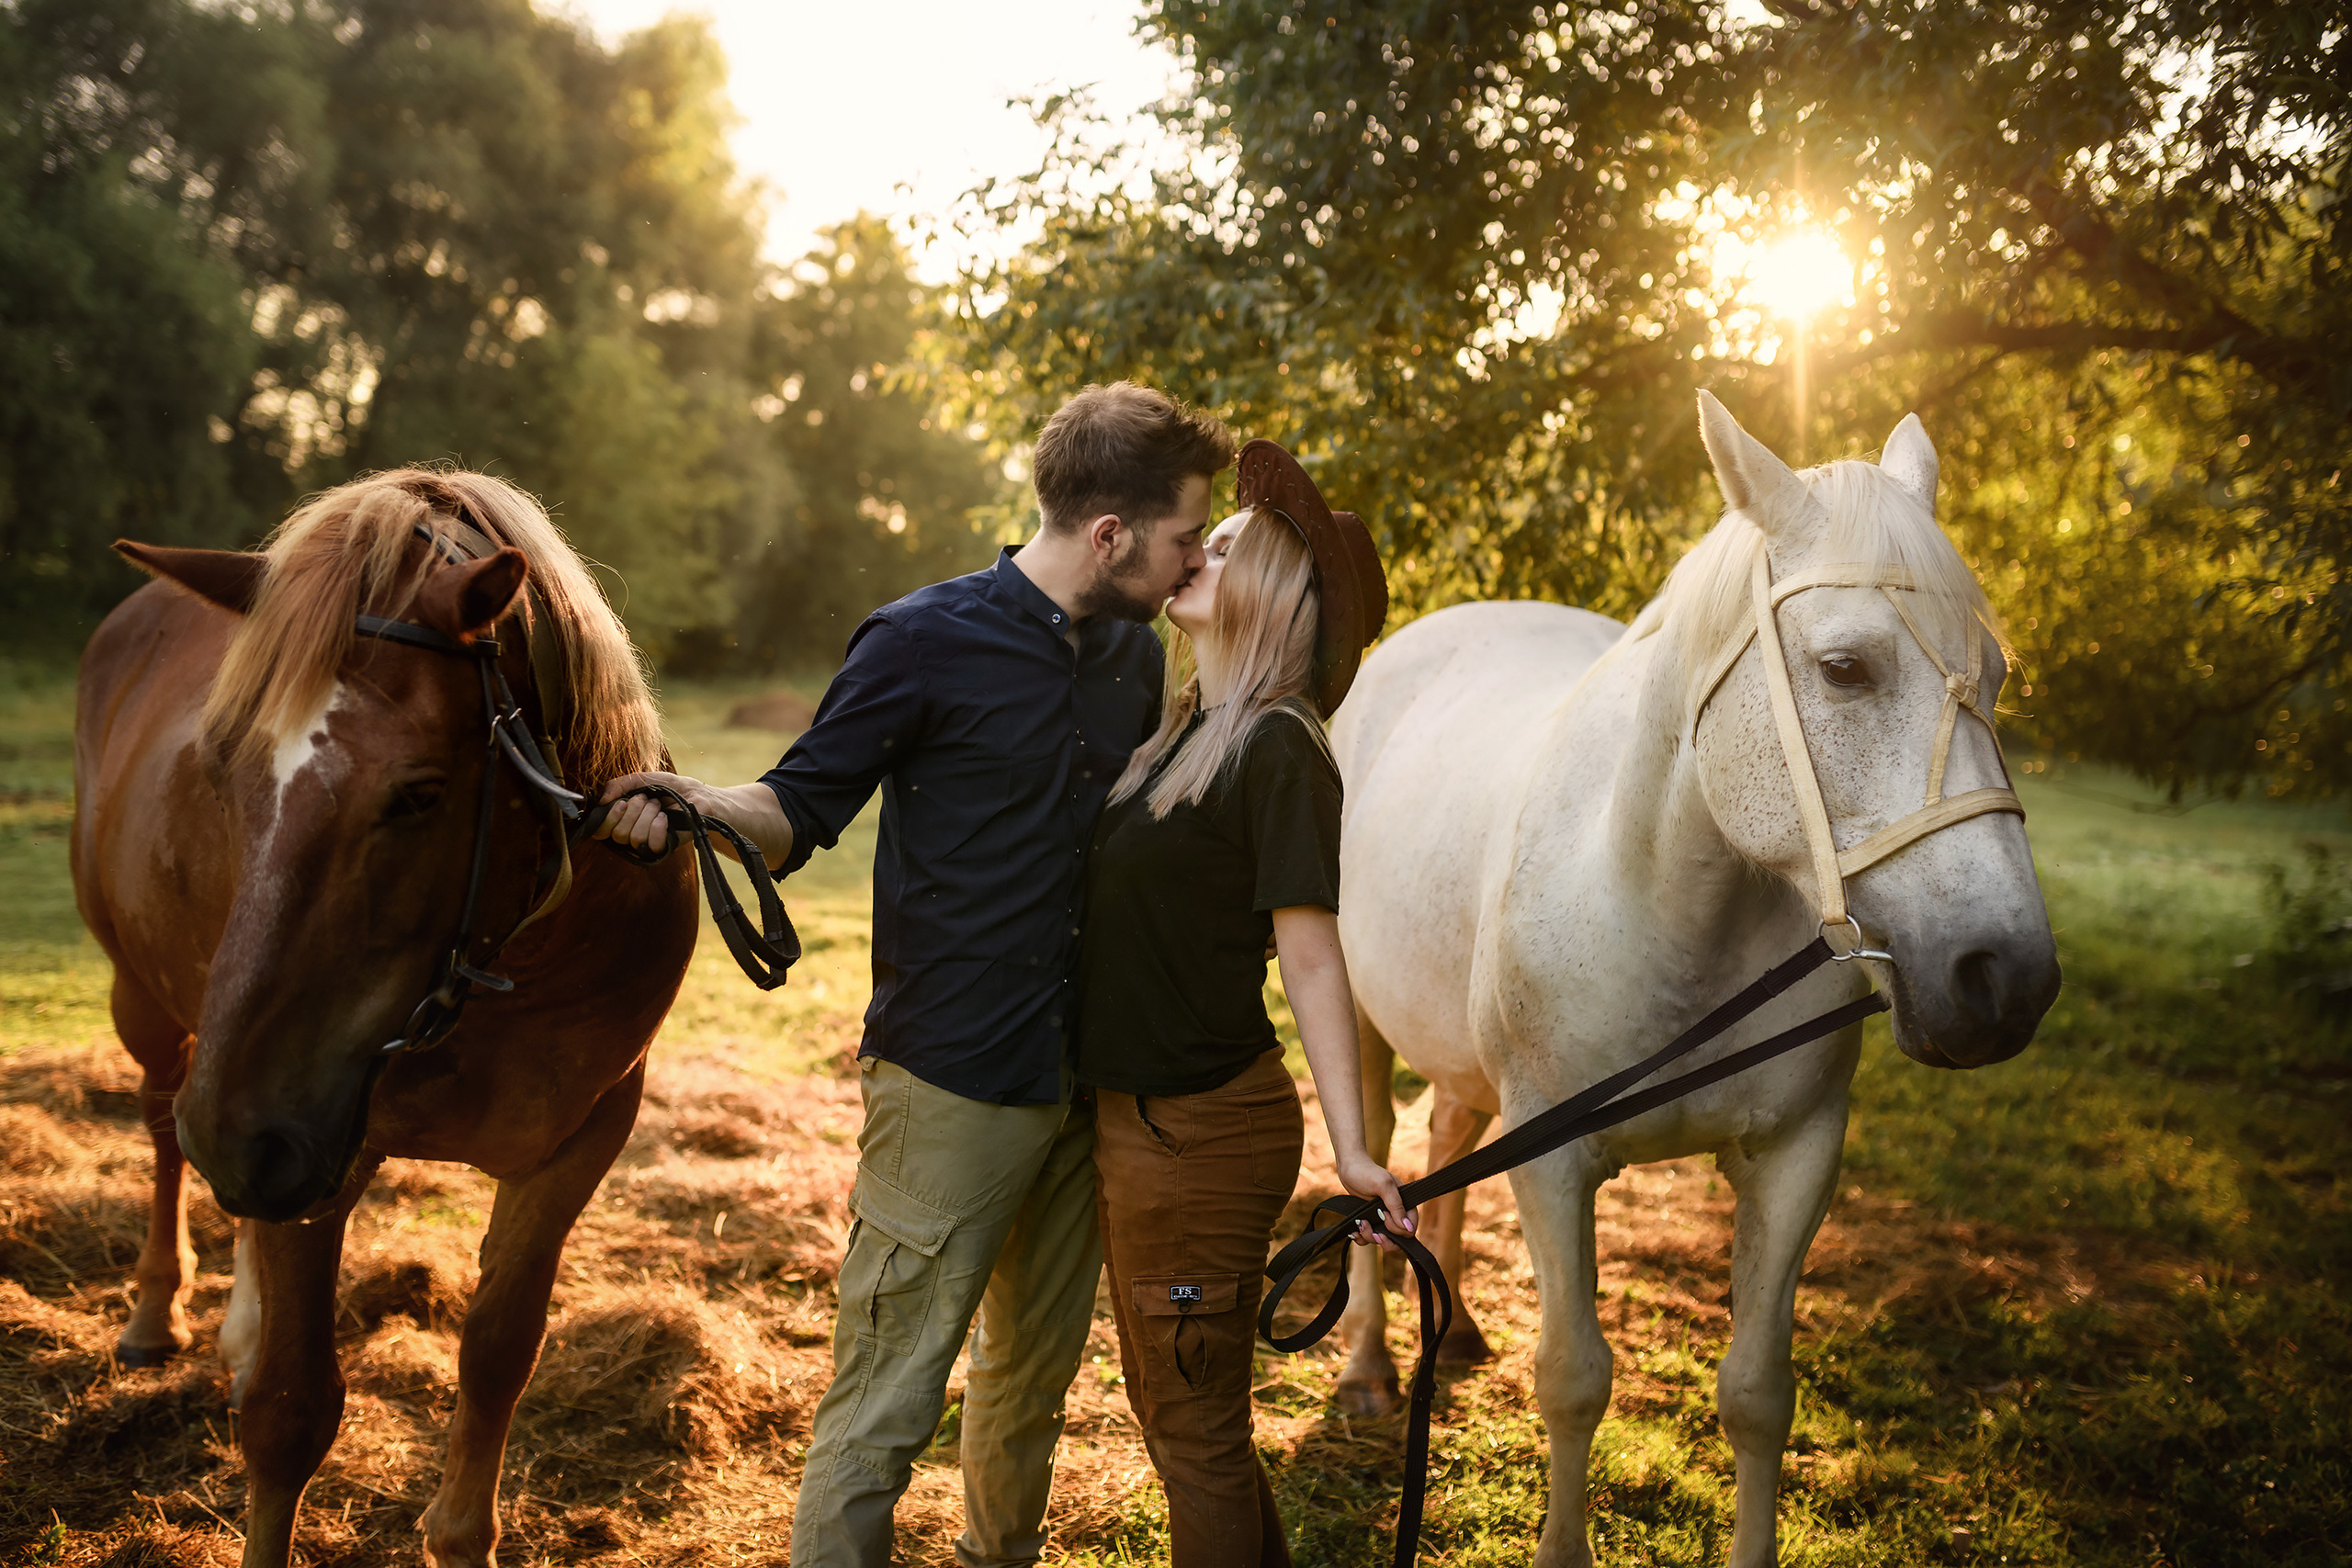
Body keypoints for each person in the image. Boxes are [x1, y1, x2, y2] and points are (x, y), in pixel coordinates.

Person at [592, 382, 1236, 1568]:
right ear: (1110, 534)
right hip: (948, 1080)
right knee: (885, 1401)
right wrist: (693, 802)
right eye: (1186, 535)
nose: (1197, 557)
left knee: (1029, 1389)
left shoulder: (1135, 656)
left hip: (1084, 1082)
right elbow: (795, 807)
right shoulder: (919, 638)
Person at [1074, 440, 1417, 1568]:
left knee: (1194, 1430)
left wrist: (1355, 1152)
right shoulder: (1180, 730)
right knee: (1178, 1418)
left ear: (1275, 592)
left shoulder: (1279, 749)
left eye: (1222, 551)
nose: (1193, 557)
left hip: (1201, 1135)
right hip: (1137, 1124)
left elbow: (1312, 961)